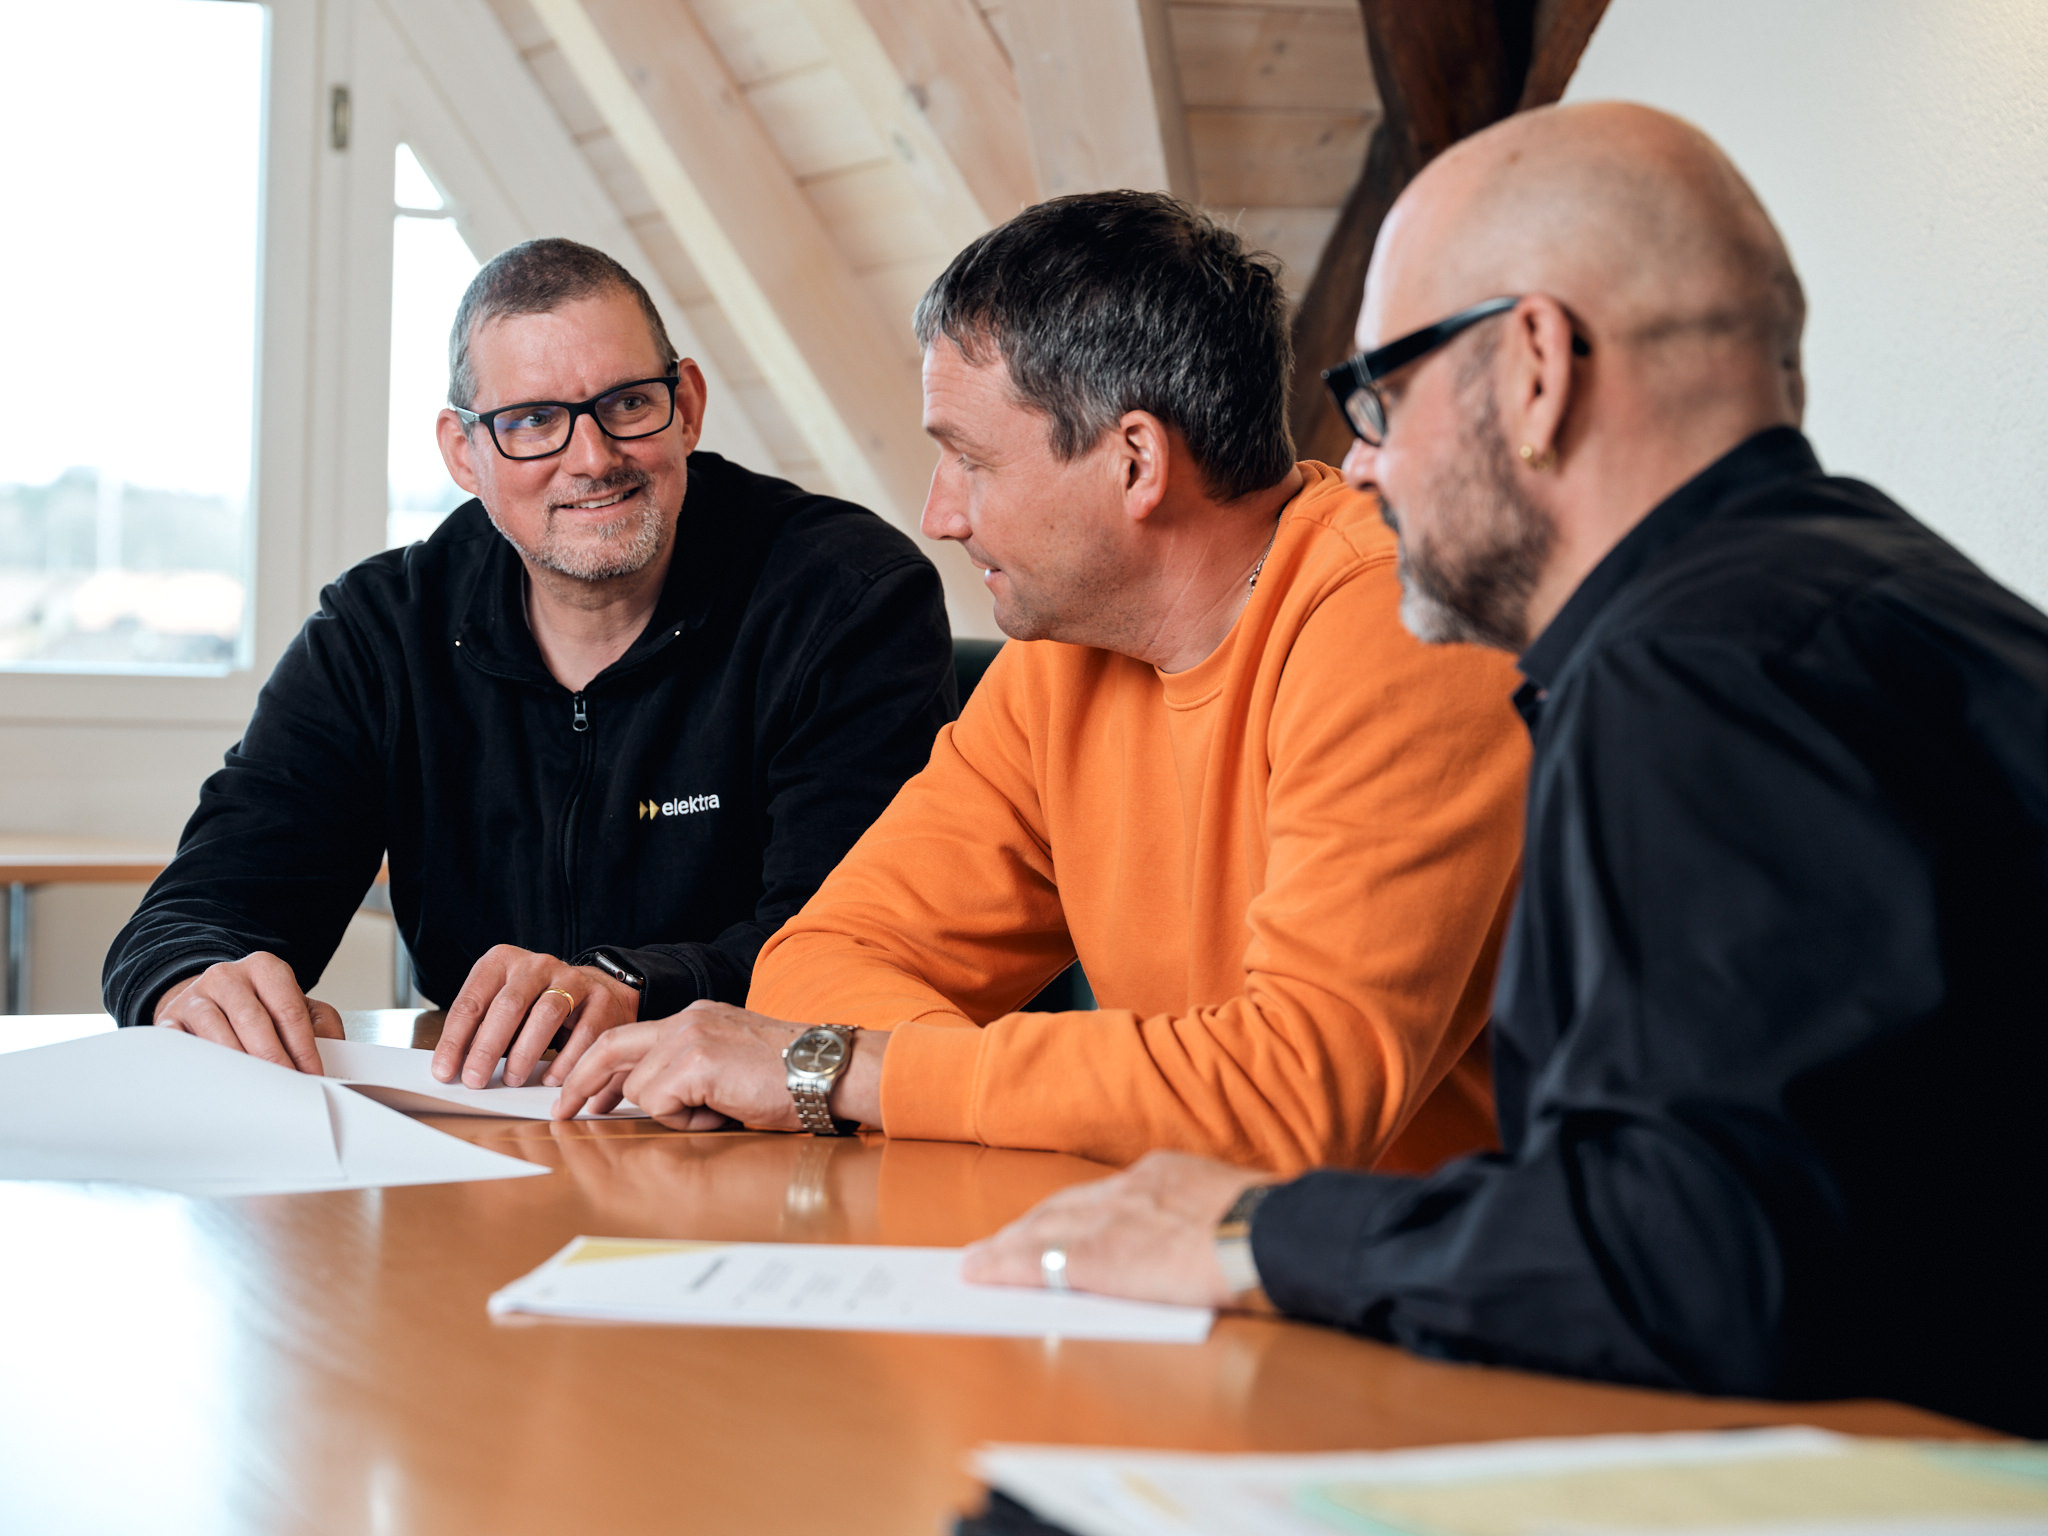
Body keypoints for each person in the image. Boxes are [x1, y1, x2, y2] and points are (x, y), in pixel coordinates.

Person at [958, 103, 2048, 1437]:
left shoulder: (1688, 670)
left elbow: (1695, 1258)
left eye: (1383, 396)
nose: (1361, 465)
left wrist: (1252, 1232)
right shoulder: (1903, 605)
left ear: (1535, 368)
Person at [553, 192, 1530, 1177]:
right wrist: (967, 1085)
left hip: (1406, 1299)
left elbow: (1291, 1091)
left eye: (968, 461)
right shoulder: (1064, 652)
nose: (937, 514)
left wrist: (851, 1074)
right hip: (1154, 1245)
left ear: (1135, 461)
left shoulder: (1399, 618)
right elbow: (819, 959)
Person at [104, 238, 954, 1093]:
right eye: (533, 422)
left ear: (687, 406)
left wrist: (626, 983)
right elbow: (196, 910)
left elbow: (849, 945)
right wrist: (194, 985)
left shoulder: (845, 598)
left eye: (627, 403)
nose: (591, 458)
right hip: (481, 1138)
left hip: (759, 1133)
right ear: (463, 453)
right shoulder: (382, 630)